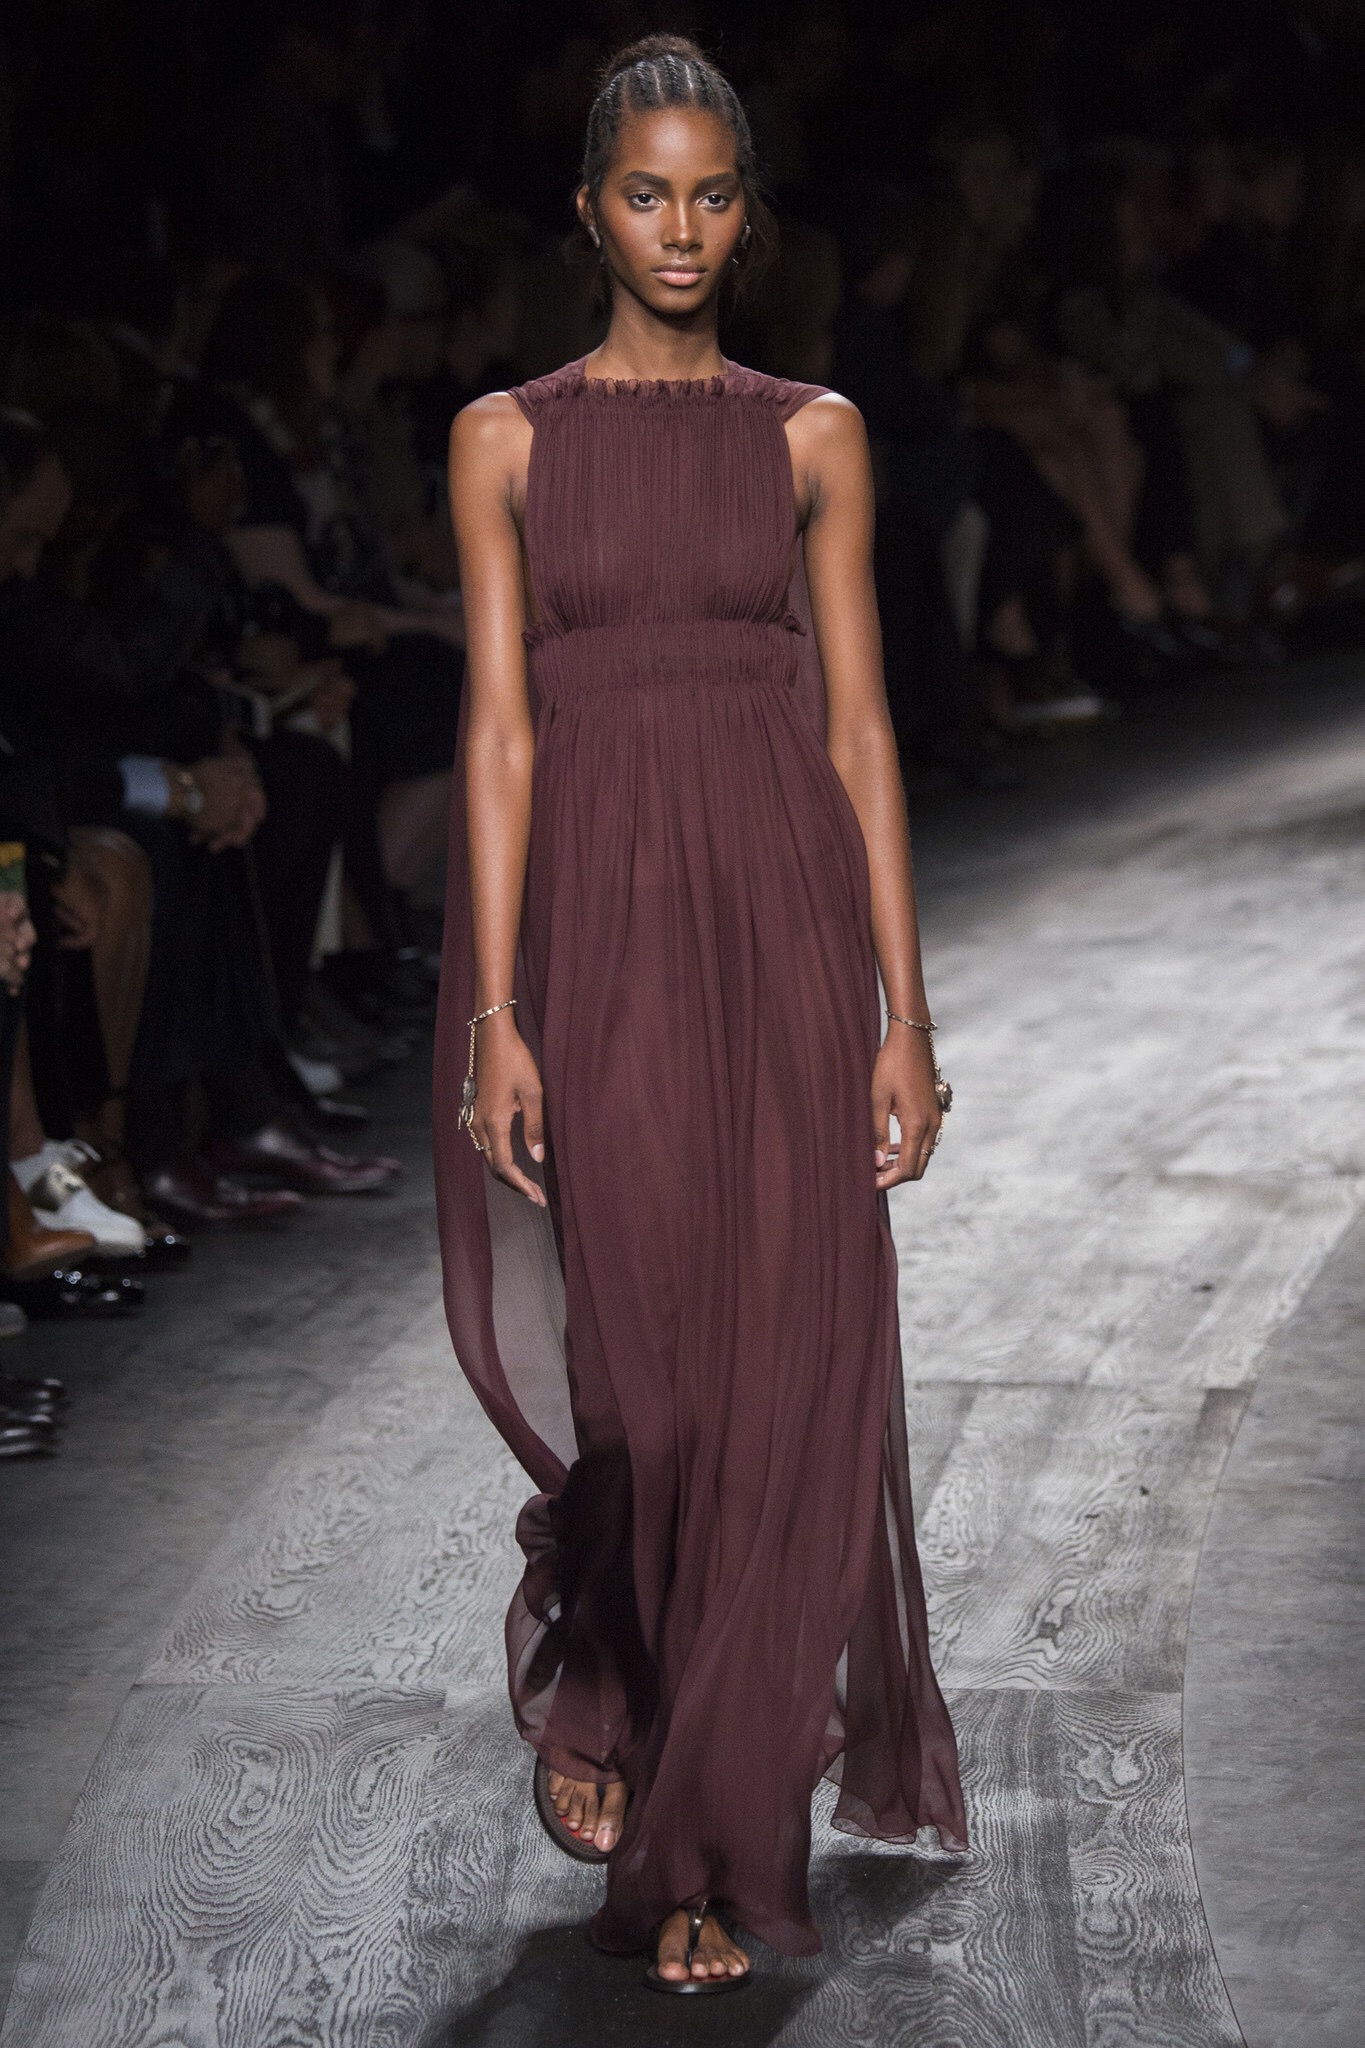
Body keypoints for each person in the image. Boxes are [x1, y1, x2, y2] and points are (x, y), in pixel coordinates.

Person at [435, 35, 966, 1997]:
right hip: (597, 933)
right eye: (643, 193)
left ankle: (705, 1842)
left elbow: (861, 729)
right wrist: (499, 1006)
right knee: (646, 1400)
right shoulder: (505, 440)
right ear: (589, 210)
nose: (678, 227)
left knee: (779, 1388)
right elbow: (497, 734)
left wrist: (903, 1014)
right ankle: (612, 1654)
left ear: (748, 215)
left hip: (781, 925)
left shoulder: (811, 434)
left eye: (710, 194)